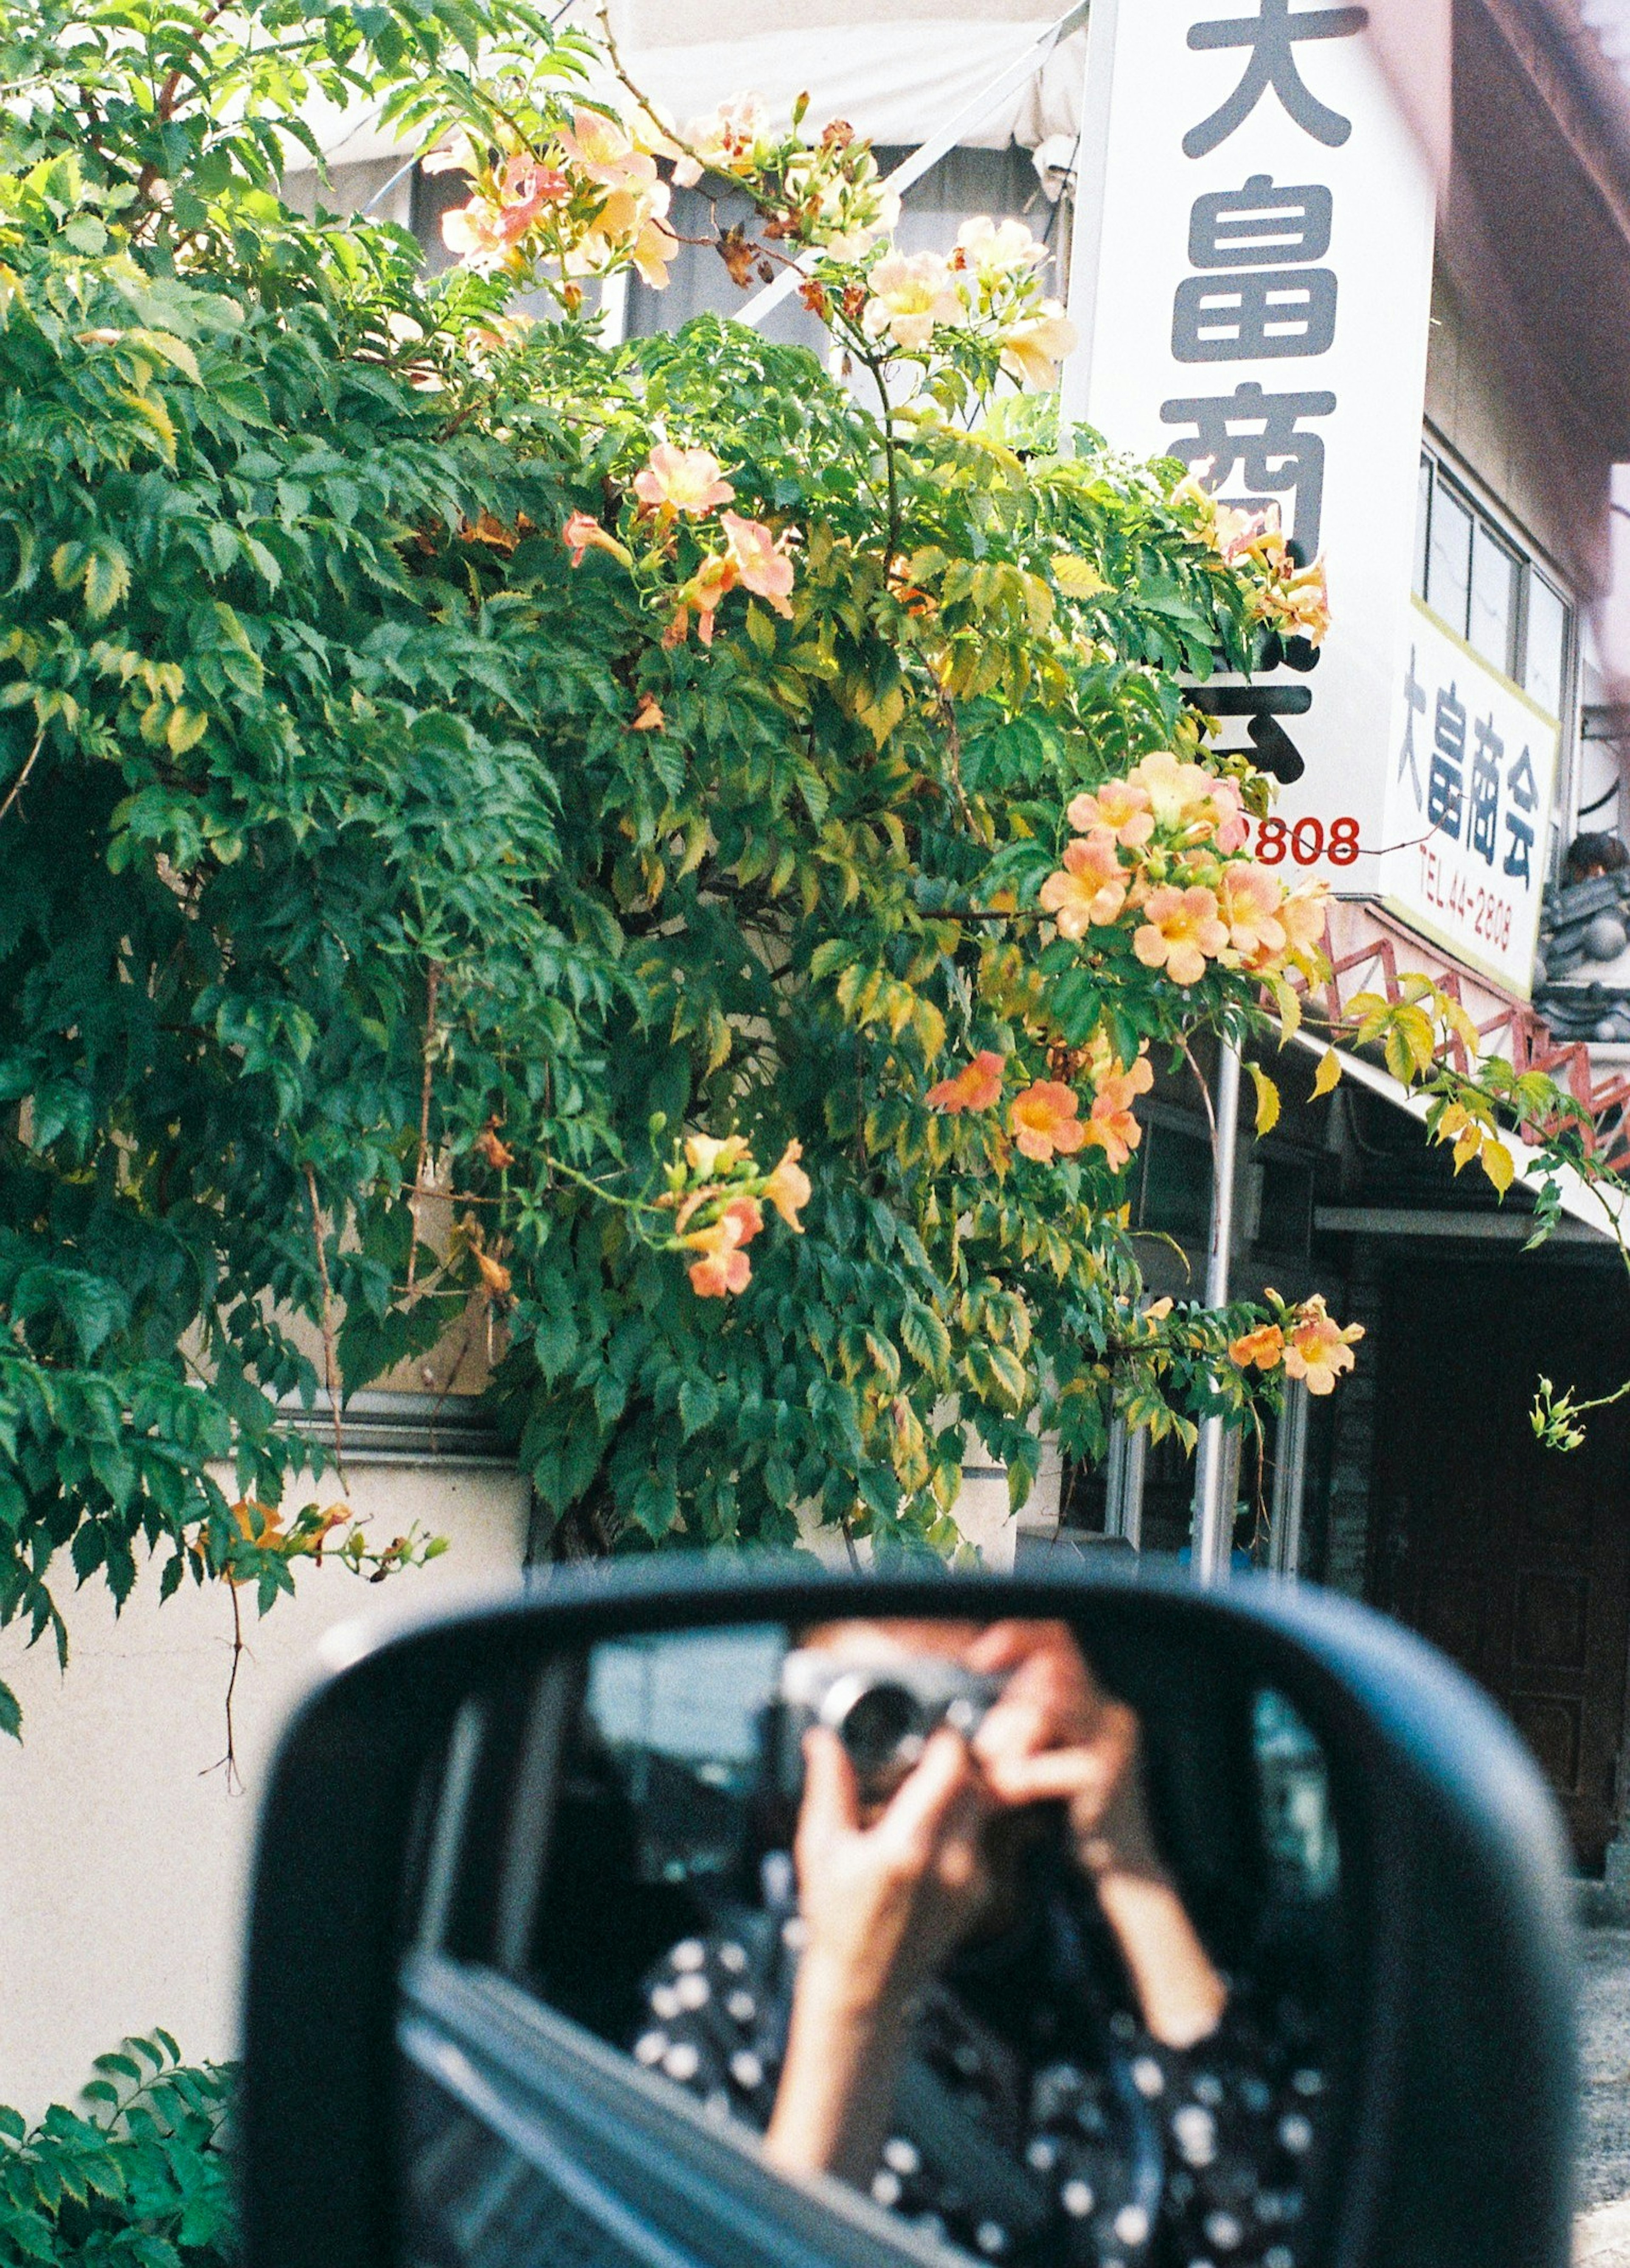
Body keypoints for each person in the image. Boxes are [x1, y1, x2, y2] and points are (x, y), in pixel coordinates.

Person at [633, 1619, 1328, 2268]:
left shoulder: (1135, 1975)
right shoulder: (728, 2000)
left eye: (949, 1706)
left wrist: (1128, 1860)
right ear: (791, 1754)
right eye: (859, 1718)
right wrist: (853, 1994)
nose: (904, 1752)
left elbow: (1279, 2234)